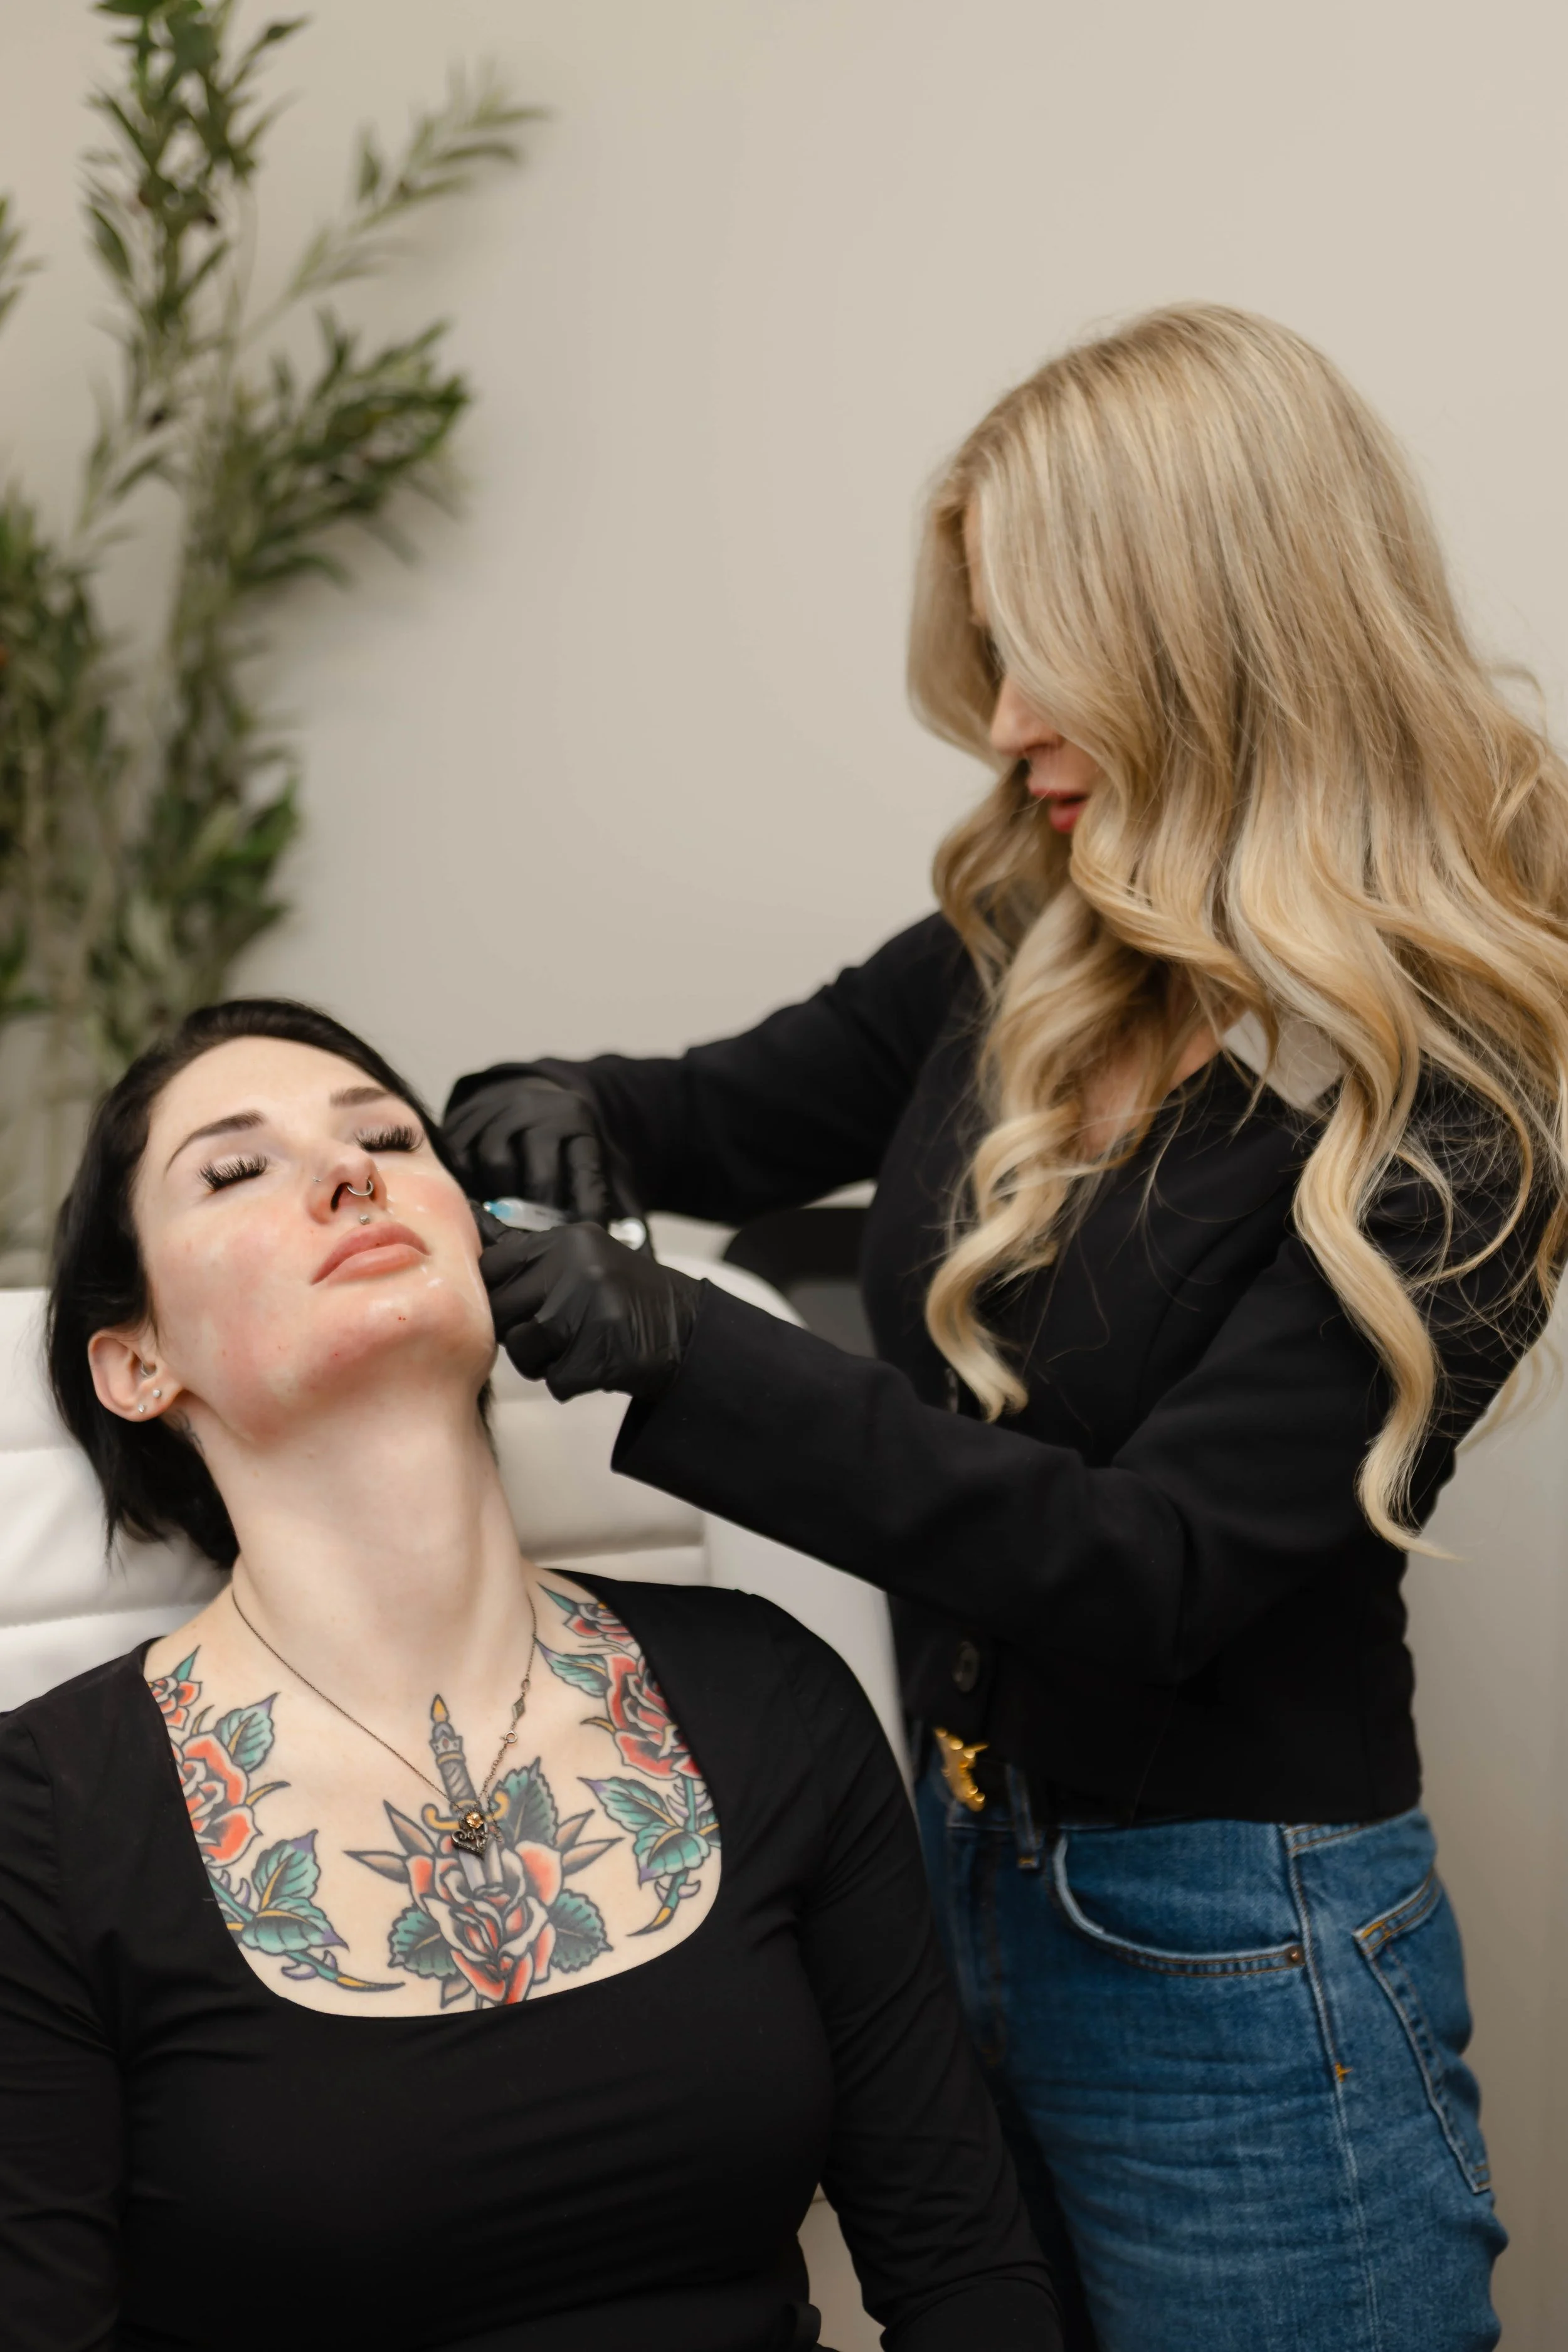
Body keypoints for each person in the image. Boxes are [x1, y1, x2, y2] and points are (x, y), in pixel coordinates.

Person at [443, 304, 1568, 2352]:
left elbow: (1152, 1569)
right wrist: (543, 1106)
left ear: (1211, 634)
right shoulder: (1021, 936)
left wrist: (681, 1347)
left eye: (1038, 648)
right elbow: (692, 1107)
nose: (1004, 718)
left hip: (1247, 1954)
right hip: (960, 1871)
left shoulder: (1456, 1107)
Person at [0, 999, 1061, 2352]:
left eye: (388, 1136)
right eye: (233, 1168)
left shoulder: (768, 1695)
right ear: (136, 1362)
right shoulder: (39, 1823)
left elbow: (970, 2281)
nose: (350, 1173)